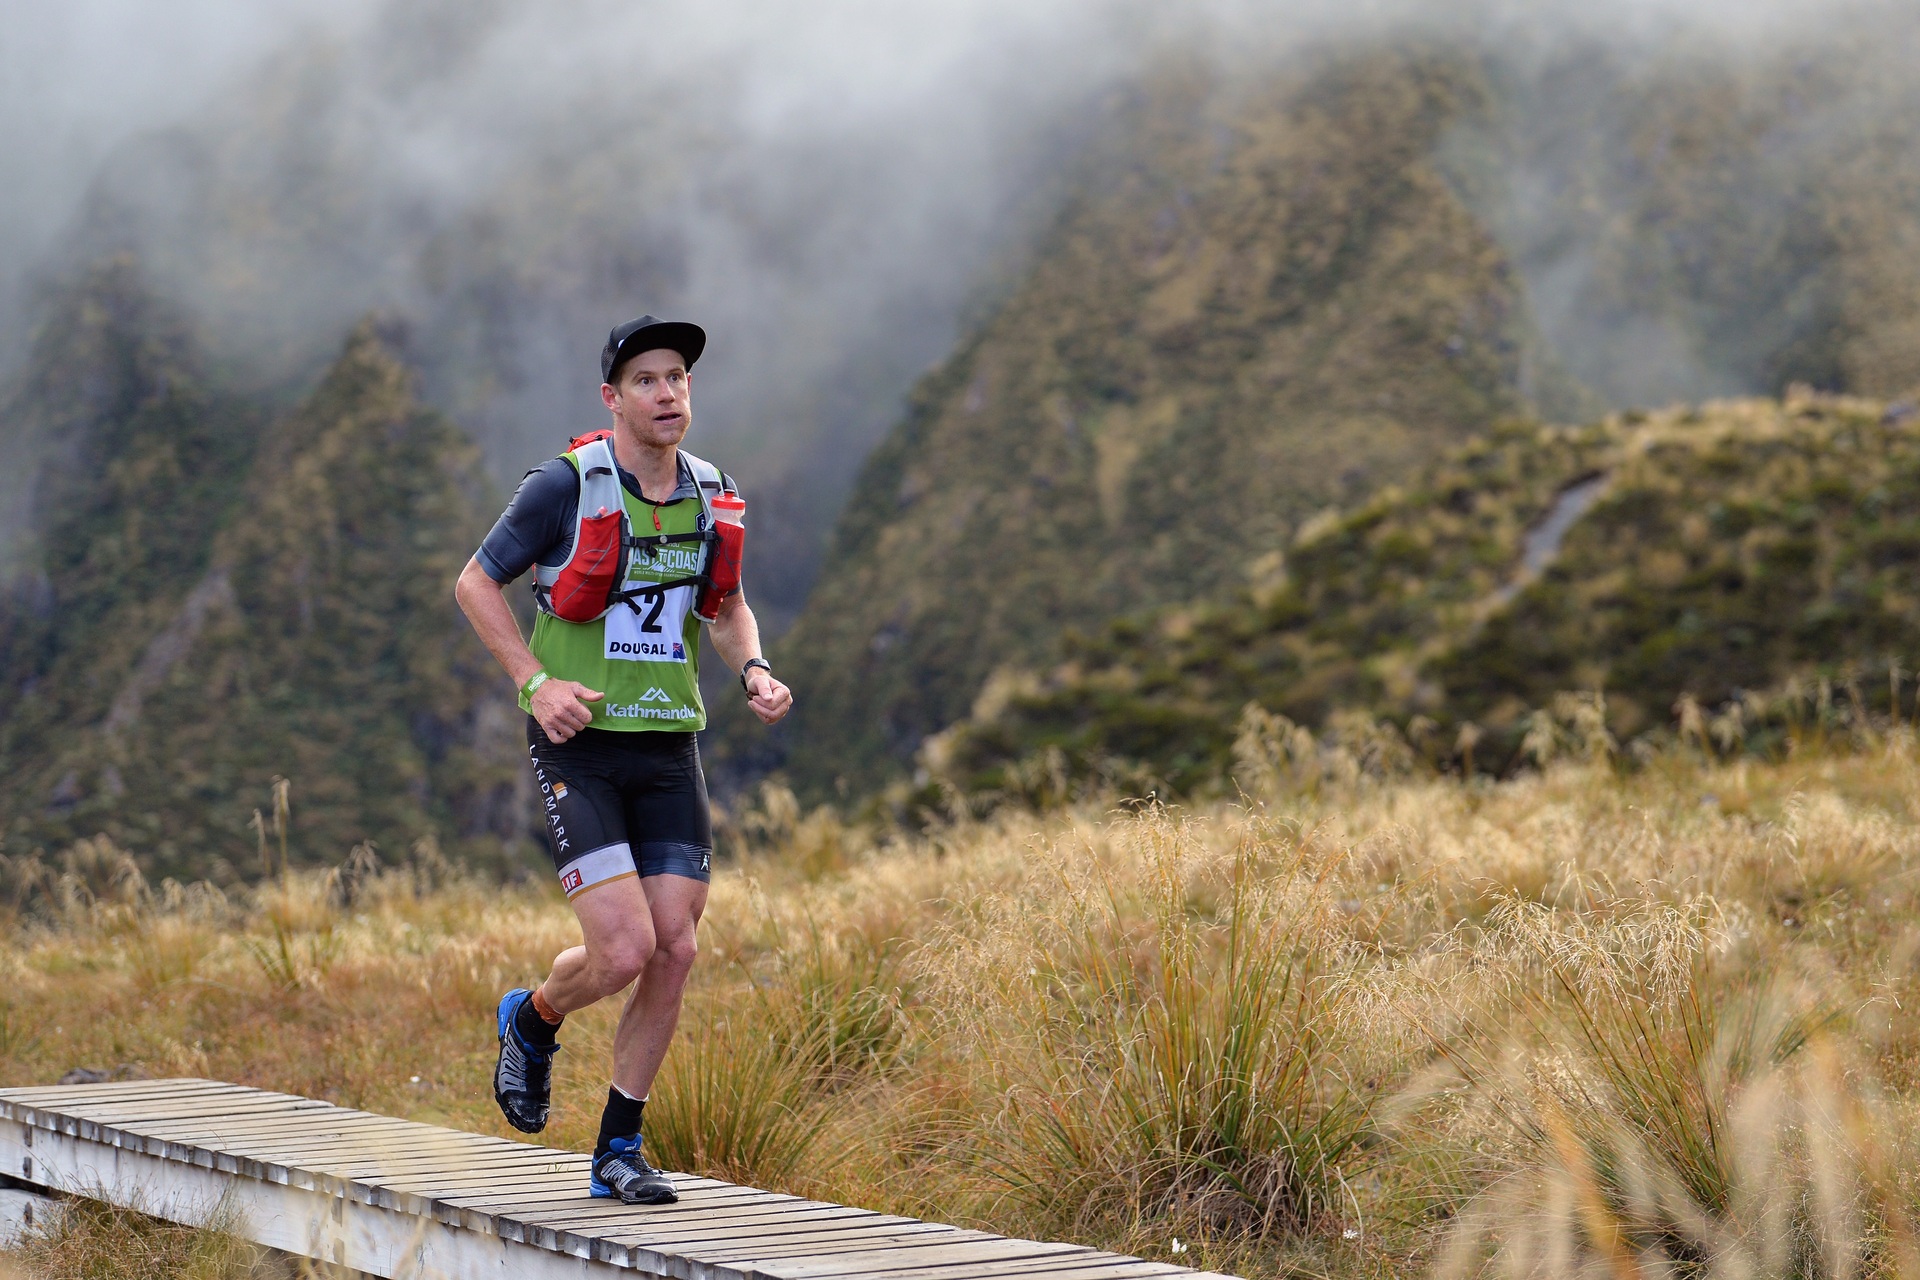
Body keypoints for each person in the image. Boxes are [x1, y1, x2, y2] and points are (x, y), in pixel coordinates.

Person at [454, 315, 792, 1204]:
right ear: (611, 398)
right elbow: (474, 582)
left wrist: (753, 667)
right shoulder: (563, 486)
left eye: (677, 375)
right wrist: (535, 684)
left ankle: (617, 1148)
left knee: (674, 949)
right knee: (623, 949)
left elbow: (725, 610)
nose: (668, 391)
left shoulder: (711, 493)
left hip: (669, 746)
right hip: (582, 746)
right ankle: (533, 1018)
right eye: (645, 379)